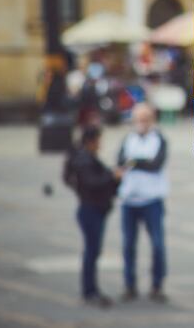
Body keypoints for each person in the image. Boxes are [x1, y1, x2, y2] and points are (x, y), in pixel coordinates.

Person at [62, 126, 121, 308]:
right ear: (91, 141)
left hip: (94, 209)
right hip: (90, 210)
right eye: (98, 140)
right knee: (91, 252)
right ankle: (90, 291)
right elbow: (92, 182)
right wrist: (113, 176)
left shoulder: (86, 158)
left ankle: (91, 289)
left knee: (93, 251)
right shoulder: (84, 160)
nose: (100, 144)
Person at [117, 102, 169, 302]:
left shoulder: (159, 140)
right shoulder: (128, 139)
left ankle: (157, 284)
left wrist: (134, 162)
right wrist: (139, 162)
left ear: (152, 120)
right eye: (139, 119)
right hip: (129, 200)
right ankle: (129, 285)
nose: (142, 123)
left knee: (157, 244)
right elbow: (121, 162)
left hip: (152, 200)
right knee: (128, 245)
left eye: (146, 119)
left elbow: (155, 164)